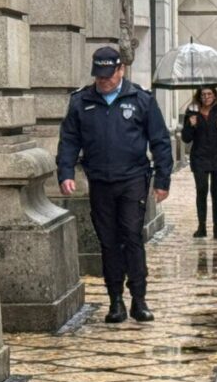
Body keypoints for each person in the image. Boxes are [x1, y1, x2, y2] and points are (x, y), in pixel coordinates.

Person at [57, 46, 173, 324]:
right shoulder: (80, 101)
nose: (104, 80)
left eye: (109, 75)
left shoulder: (141, 99)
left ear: (121, 70)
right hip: (99, 180)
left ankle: (139, 299)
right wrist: (66, 172)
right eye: (100, 75)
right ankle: (115, 301)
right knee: (108, 242)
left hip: (133, 179)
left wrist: (163, 179)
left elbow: (159, 141)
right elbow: (69, 140)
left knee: (132, 236)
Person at [181, 86, 217, 239]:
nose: (206, 97)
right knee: (201, 190)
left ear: (214, 96)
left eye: (209, 94)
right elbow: (186, 138)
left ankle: (216, 227)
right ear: (199, 97)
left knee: (216, 193)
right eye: (203, 94)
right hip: (199, 158)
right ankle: (201, 226)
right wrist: (191, 126)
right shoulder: (192, 112)